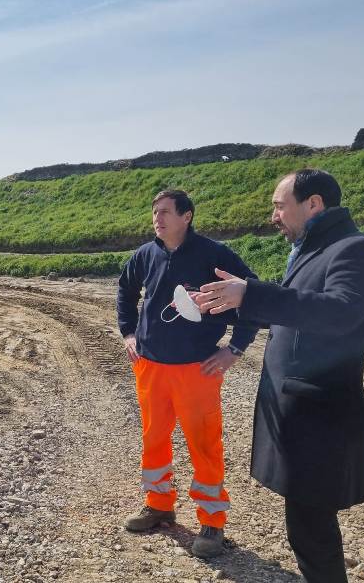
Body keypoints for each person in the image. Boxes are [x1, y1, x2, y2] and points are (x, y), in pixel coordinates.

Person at [196, 169, 364, 582]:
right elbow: (295, 311)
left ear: (313, 204)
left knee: (313, 532)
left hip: (321, 414)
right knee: (305, 525)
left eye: (280, 206)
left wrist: (252, 293)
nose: (274, 216)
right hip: (300, 412)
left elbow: (339, 313)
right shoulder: (313, 250)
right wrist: (229, 304)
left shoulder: (356, 250)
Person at [116, 189, 259, 559]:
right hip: (150, 366)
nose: (157, 218)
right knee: (154, 438)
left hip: (197, 370)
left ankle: (212, 522)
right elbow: (126, 290)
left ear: (187, 216)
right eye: (154, 212)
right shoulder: (146, 254)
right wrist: (128, 332)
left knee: (204, 444)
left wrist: (235, 348)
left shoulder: (214, 255)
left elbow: (254, 296)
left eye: (165, 212)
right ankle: (158, 504)